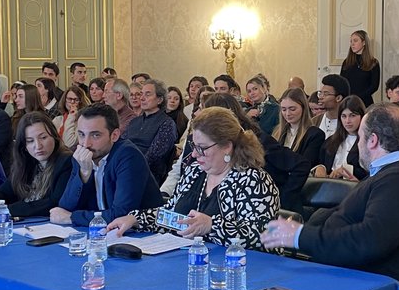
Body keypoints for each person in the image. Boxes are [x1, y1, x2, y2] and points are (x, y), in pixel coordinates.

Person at [260, 104, 399, 290]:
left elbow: (369, 240)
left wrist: (300, 236)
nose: (358, 144)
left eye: (360, 137)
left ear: (373, 140)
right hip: (354, 279)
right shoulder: (390, 172)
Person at [109, 106, 280, 250]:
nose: (195, 154)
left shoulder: (254, 181)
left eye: (202, 148)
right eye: (194, 146)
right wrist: (136, 219)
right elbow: (171, 216)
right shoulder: (194, 172)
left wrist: (212, 226)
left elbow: (263, 237)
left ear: (227, 146)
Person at [51, 103, 163, 226]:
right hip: (101, 232)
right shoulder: (81, 156)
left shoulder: (128, 156)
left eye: (95, 135)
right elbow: (65, 206)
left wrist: (72, 218)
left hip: (140, 235)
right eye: (81, 134)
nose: (86, 143)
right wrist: (83, 173)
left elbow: (121, 214)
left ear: (114, 135)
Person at [0, 112, 74, 218]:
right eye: (30, 141)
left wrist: (7, 209)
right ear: (24, 146)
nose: (38, 146)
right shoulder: (27, 161)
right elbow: (5, 190)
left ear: (54, 136)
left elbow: (53, 203)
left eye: (43, 137)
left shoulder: (66, 161)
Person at [122, 78, 178, 184]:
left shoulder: (167, 123)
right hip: (125, 170)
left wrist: (128, 169)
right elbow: (121, 145)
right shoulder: (134, 121)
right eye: (141, 94)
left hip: (148, 176)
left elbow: (154, 157)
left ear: (160, 99)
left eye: (147, 94)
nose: (142, 98)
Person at [312, 95, 367, 181]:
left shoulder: (368, 143)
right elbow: (319, 162)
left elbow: (367, 171)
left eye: (352, 115)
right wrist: (320, 167)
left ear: (362, 116)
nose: (347, 121)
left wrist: (345, 170)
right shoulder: (330, 141)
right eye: (344, 116)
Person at [273, 87, 325, 168]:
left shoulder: (315, 135)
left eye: (292, 109)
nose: (287, 114)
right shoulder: (277, 131)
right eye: (283, 109)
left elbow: (305, 164)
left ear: (303, 108)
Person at [340, 29, 381, 106]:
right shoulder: (347, 62)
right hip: (348, 101)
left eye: (355, 41)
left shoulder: (373, 63)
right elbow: (342, 82)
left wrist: (358, 97)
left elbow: (374, 86)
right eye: (351, 41)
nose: (352, 44)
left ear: (364, 42)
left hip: (365, 101)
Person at [54, 84, 90, 149]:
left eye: (76, 100)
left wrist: (71, 117)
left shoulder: (84, 122)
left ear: (81, 101)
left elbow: (69, 143)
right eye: (69, 99)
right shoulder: (57, 120)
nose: (72, 102)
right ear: (65, 100)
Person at [315, 74, 350, 138]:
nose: (321, 97)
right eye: (320, 93)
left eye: (326, 94)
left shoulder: (348, 123)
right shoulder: (314, 121)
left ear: (338, 98)